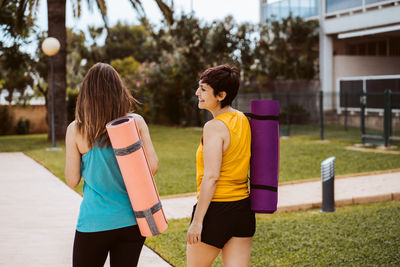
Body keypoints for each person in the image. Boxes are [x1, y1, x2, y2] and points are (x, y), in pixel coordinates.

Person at [65, 62, 158, 267]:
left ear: (86, 95)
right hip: (132, 221)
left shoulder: (77, 129)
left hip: (94, 222)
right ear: (119, 91)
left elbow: (72, 180)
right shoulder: (135, 122)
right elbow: (152, 167)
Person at [187, 64, 255, 266]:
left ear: (221, 95)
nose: (197, 93)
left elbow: (211, 177)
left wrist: (198, 221)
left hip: (215, 212)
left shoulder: (214, 127)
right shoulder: (242, 119)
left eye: (203, 89)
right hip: (243, 210)